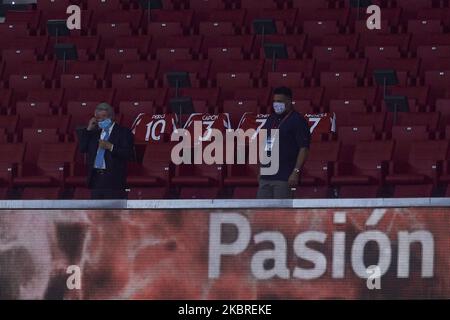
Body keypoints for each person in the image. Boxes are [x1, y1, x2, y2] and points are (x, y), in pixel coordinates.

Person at [257, 87, 310, 199]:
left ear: (289, 101)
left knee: (280, 214)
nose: (276, 104)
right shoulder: (271, 119)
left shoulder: (298, 121)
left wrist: (296, 172)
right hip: (266, 177)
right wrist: (261, 168)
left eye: (280, 101)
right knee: (261, 214)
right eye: (275, 101)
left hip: (284, 177)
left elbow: (304, 149)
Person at [76, 103, 134, 199]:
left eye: (104, 117)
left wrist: (111, 147)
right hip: (96, 178)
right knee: (96, 212)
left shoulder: (123, 132)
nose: (101, 120)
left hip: (113, 179)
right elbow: (82, 148)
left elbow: (128, 154)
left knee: (113, 212)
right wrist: (89, 129)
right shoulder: (94, 134)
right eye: (98, 118)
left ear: (111, 117)